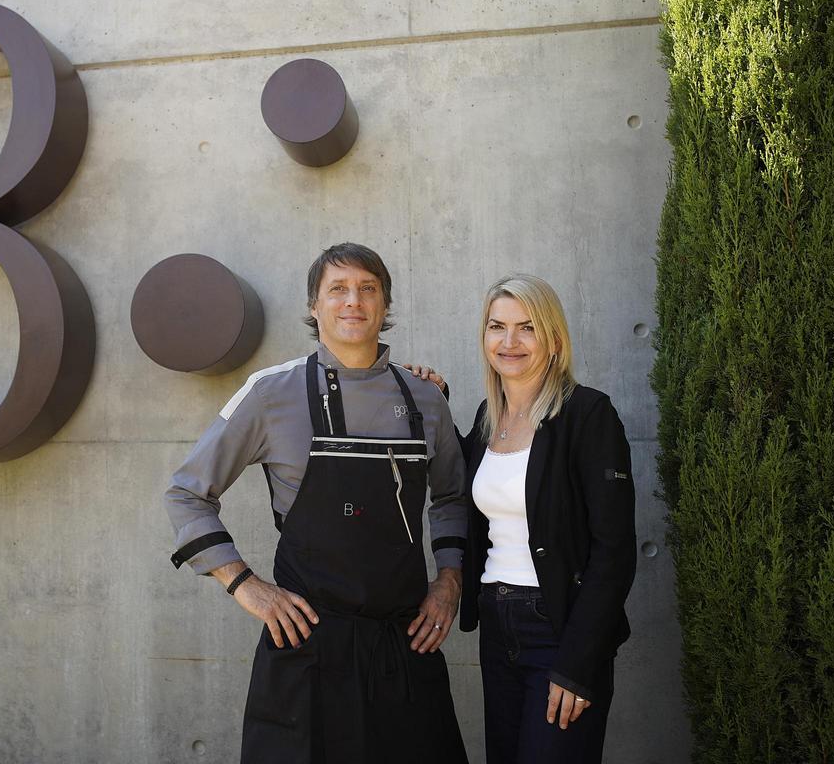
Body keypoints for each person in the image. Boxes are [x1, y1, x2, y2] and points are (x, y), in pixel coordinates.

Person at [163, 242, 470, 764]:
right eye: (338, 289)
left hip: (405, 648)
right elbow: (186, 494)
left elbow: (452, 497)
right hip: (306, 651)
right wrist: (246, 586)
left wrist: (448, 581)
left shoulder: (426, 398)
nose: (354, 301)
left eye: (367, 289)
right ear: (314, 306)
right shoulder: (269, 393)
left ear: (385, 305)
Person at [410, 273, 636, 763]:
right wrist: (435, 401)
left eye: (526, 328)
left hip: (560, 628)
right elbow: (469, 483)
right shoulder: (488, 420)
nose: (509, 342)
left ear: (553, 339)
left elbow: (614, 553)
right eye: (497, 326)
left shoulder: (588, 415)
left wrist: (579, 664)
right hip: (498, 623)